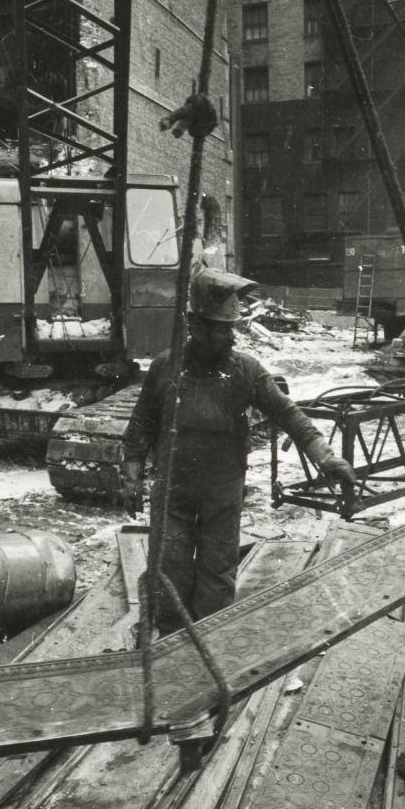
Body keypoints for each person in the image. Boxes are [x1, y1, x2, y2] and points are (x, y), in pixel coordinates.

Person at [121, 269, 357, 633]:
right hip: (172, 492)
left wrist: (324, 456)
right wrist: (132, 475)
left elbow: (288, 413)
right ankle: (171, 648)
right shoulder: (166, 368)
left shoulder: (245, 370)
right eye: (221, 328)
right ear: (195, 326)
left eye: (232, 327)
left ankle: (208, 647)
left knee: (216, 579)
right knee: (170, 573)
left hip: (222, 494)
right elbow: (141, 422)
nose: (230, 336)